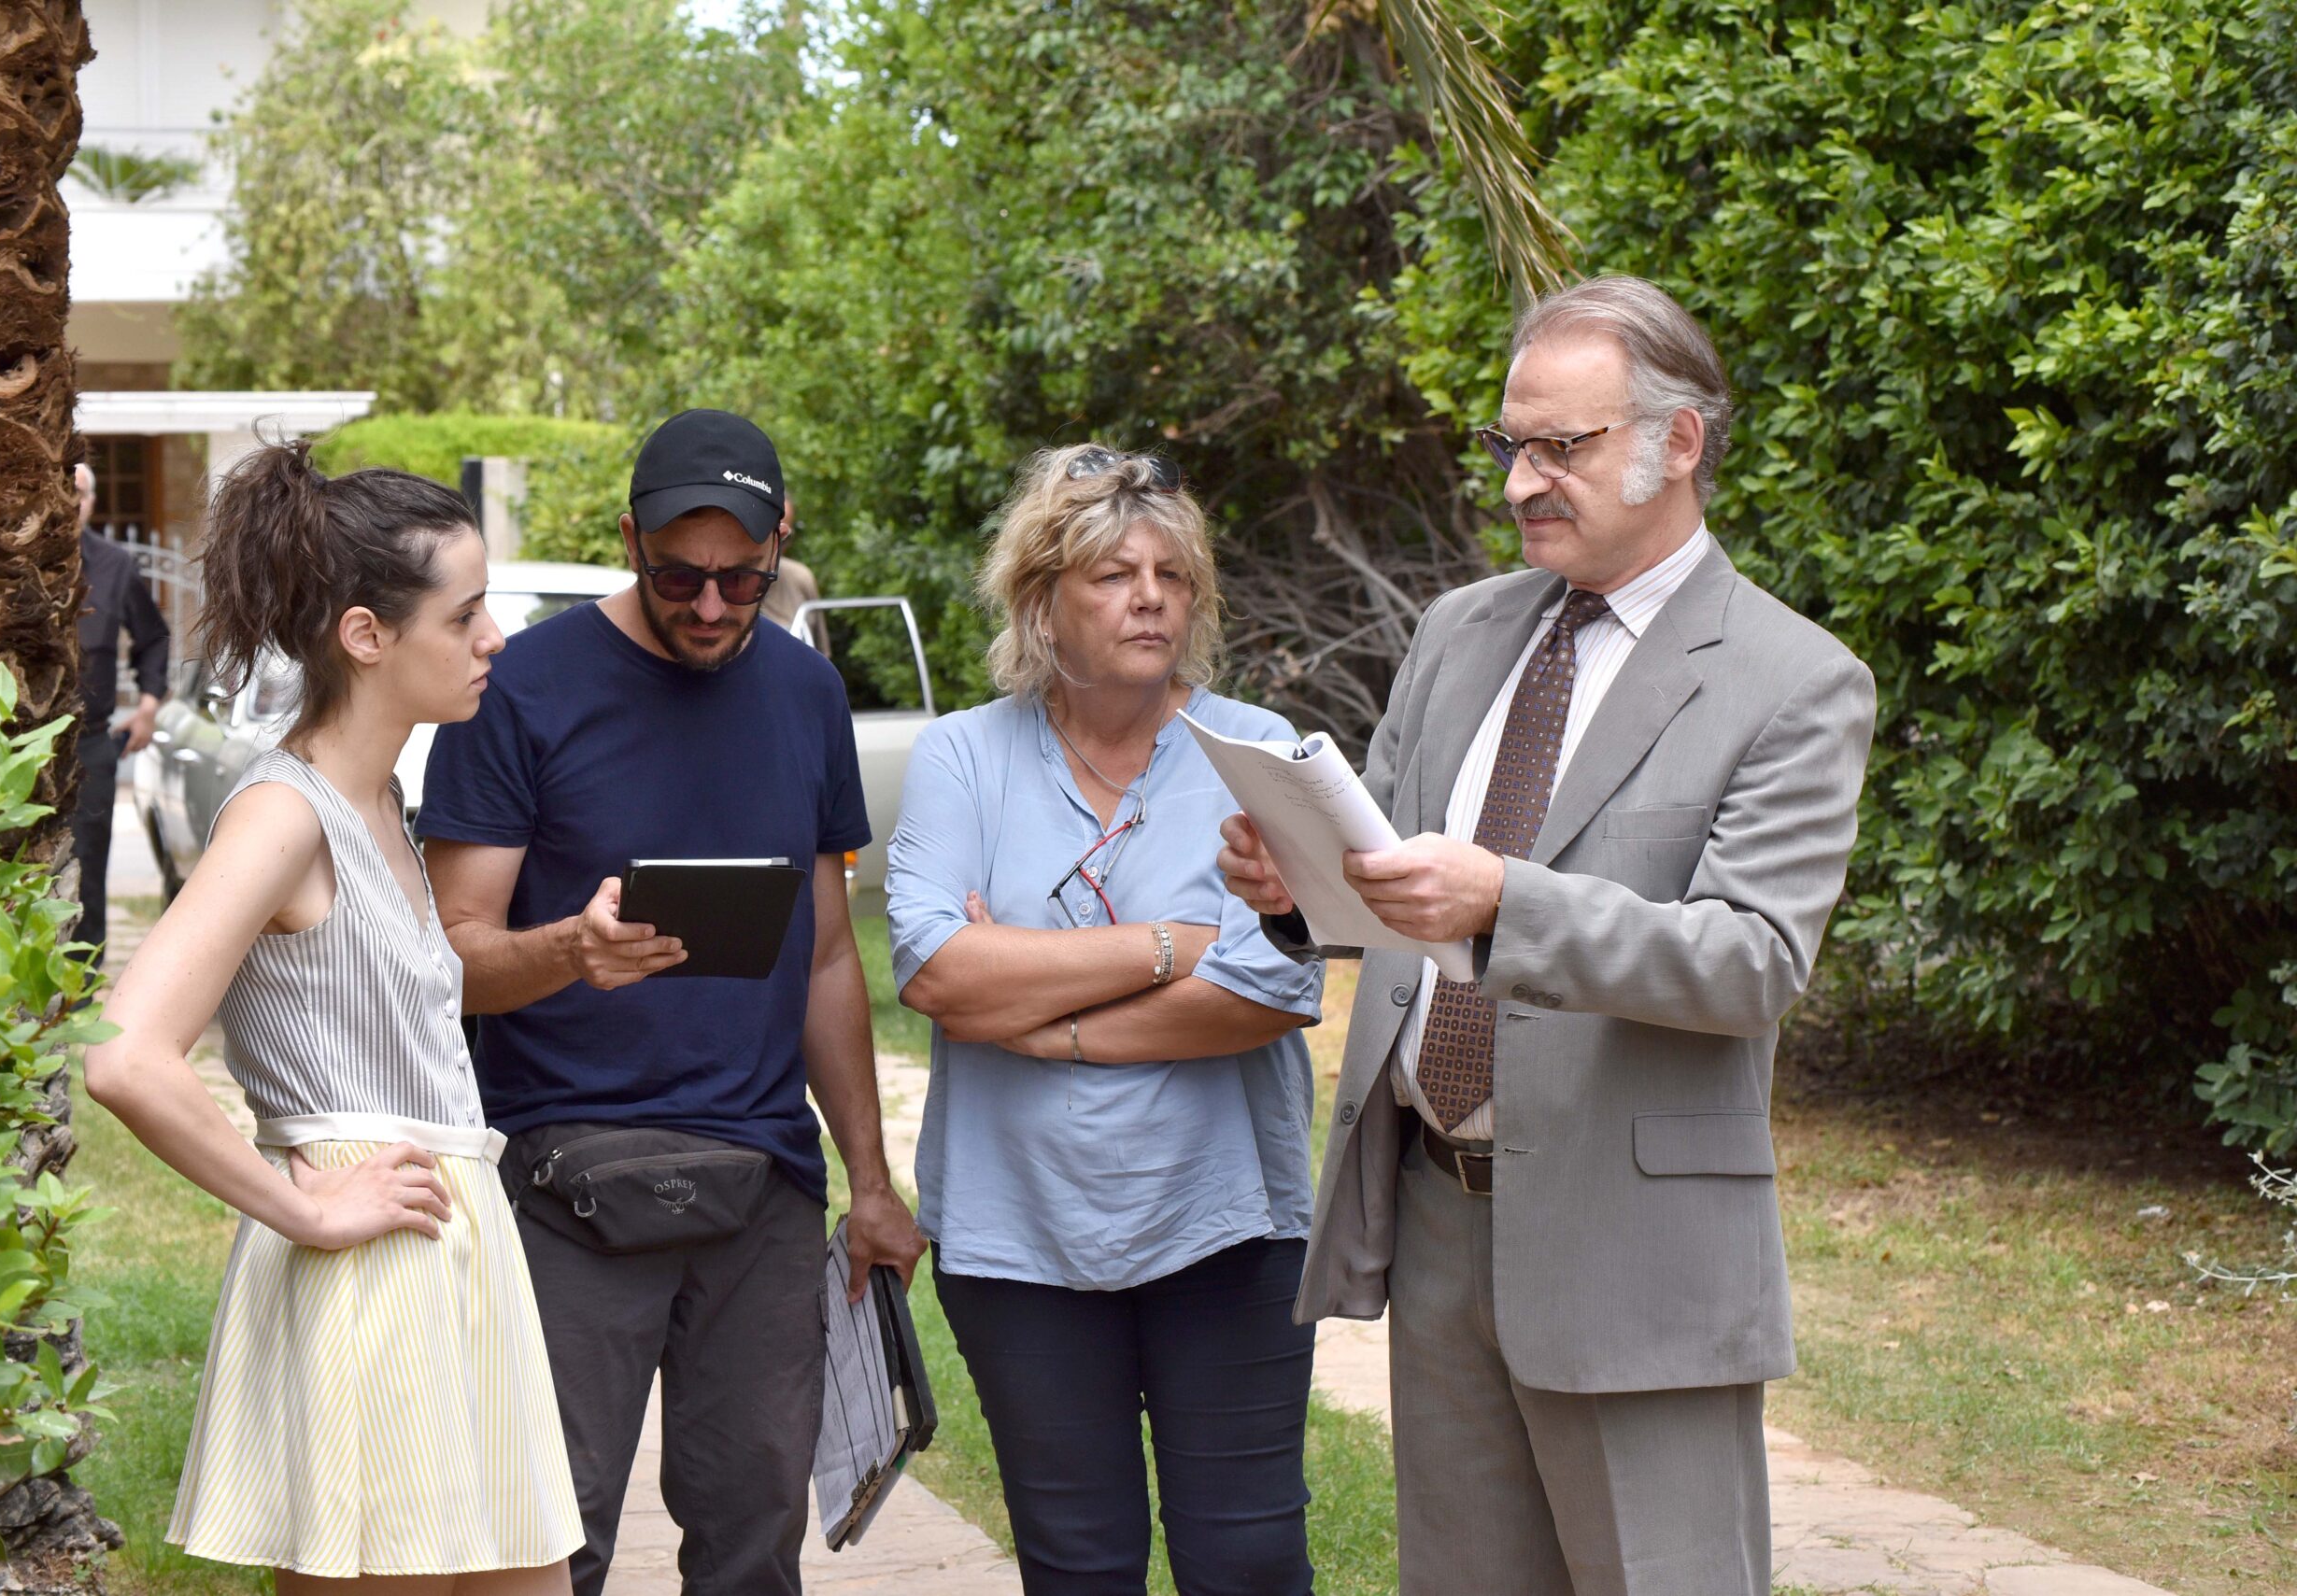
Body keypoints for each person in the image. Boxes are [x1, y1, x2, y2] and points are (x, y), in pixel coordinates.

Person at [1221, 275, 1878, 1594]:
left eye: (1559, 447)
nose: (1521, 481)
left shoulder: (1793, 681)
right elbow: (1402, 891)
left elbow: (1753, 960)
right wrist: (1296, 890)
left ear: (1678, 442)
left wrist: (1507, 901)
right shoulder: (1460, 633)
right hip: (1440, 1221)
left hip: (1635, 1255)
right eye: (1508, 445)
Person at [416, 408, 923, 1596]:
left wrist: (871, 1181)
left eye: (740, 577)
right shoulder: (522, 688)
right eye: (679, 575)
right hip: (562, 1176)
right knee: (553, 1537)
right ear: (629, 539)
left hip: (762, 1187)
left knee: (754, 1537)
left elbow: (828, 958)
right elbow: (447, 951)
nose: (708, 604)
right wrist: (568, 950)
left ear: (781, 541)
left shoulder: (805, 694)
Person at [83, 443, 580, 1590]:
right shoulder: (282, 813)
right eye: (464, 615)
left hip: (450, 1252)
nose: (494, 635)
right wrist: (304, 1209)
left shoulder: (382, 803)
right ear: (367, 635)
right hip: (369, 1269)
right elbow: (123, 1053)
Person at [887, 445, 1326, 1595]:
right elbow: (937, 973)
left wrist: (1041, 1016)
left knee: (1248, 1558)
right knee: (1076, 1565)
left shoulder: (1258, 750)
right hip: (1016, 1233)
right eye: (1112, 573)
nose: (1149, 597)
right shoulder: (963, 755)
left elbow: (1270, 993)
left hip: (1229, 1224)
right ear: (1041, 600)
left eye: (1171, 575)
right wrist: (1171, 946)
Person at [71, 459, 170, 952]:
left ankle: (80, 997)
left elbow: (153, 637)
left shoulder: (114, 564)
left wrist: (148, 706)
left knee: (88, 870)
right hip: (4, 744)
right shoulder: (6, 564)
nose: (72, 501)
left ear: (92, 502)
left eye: (81, 492)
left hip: (89, 747)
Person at [757, 494, 828, 652]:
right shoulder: (722, 582)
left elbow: (821, 654)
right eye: (769, 535)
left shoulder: (801, 578)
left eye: (785, 539)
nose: (776, 547)